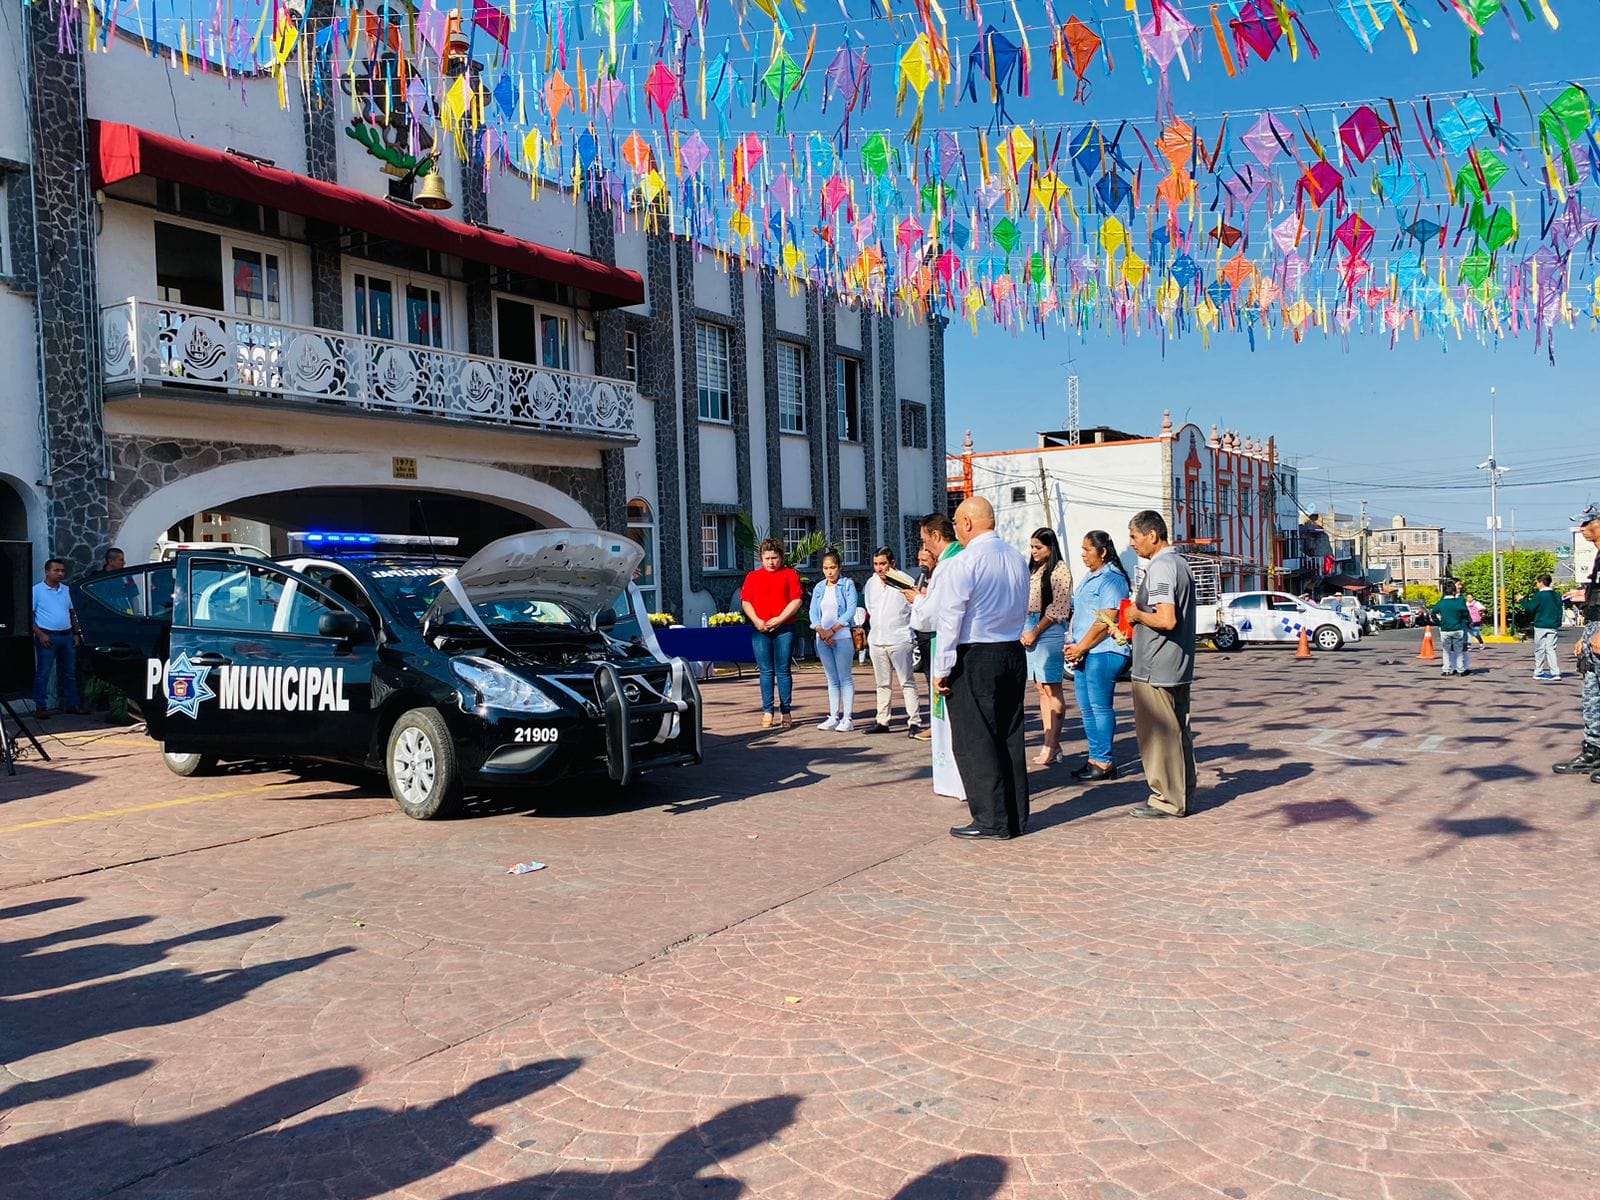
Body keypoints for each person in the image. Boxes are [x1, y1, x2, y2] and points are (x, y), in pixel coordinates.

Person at [934, 497, 1031, 841]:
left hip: (976, 654)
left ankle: (991, 819)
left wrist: (942, 666)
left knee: (976, 739)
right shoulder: (1017, 558)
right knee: (1009, 734)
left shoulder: (966, 562)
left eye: (958, 524)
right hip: (1011, 650)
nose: (956, 531)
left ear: (969, 524)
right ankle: (1015, 815)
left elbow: (950, 619)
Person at [1125, 510, 1197, 819]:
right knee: (1178, 731)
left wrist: (1136, 615)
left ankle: (1167, 799)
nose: (1131, 544)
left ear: (1152, 535)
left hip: (1156, 666)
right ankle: (1182, 793)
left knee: (1159, 735)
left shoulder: (1162, 567)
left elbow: (1166, 619)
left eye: (1134, 536)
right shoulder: (1180, 563)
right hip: (1175, 662)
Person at [1063, 530, 1133, 782]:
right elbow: (1080, 612)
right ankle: (1094, 757)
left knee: (1100, 706)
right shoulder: (1091, 576)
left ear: (1102, 552)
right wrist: (1073, 643)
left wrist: (1081, 646)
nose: (1083, 555)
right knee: (1086, 708)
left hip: (1104, 651)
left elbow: (1106, 620)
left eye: (1087, 550)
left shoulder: (1112, 579)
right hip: (1084, 650)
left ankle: (1104, 761)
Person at [907, 516, 964, 788]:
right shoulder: (966, 557)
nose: (924, 546)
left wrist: (917, 600)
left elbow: (931, 617)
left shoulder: (948, 565)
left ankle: (953, 780)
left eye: (924, 539)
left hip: (949, 646)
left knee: (953, 722)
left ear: (936, 536)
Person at [1019, 528, 1073, 766]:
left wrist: (1035, 631)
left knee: (1052, 688)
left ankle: (1050, 744)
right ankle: (1051, 740)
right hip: (1030, 624)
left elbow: (1058, 609)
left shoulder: (1060, 571)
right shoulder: (1033, 569)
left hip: (1048, 629)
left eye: (1038, 547)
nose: (1034, 552)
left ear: (1050, 548)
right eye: (1032, 547)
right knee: (1040, 688)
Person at [1554, 505, 1600, 779]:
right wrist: (1587, 635)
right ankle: (1594, 751)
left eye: (1587, 522)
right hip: (1595, 628)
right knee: (1592, 696)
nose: (1582, 528)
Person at [741, 537, 804, 729]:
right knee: (766, 671)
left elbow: (796, 600)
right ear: (761, 557)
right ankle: (767, 710)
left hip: (784, 628)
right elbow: (746, 601)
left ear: (781, 557)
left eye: (774, 557)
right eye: (767, 558)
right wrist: (757, 621)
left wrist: (780, 619)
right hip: (760, 629)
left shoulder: (790, 574)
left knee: (783, 670)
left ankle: (786, 710)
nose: (771, 562)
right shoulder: (753, 576)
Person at [862, 547, 921, 735]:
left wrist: (910, 633)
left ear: (892, 563)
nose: (879, 568)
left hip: (900, 638)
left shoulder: (906, 581)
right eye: (876, 564)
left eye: (883, 564)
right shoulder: (871, 583)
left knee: (907, 681)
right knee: (882, 683)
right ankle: (882, 720)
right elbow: (870, 607)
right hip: (878, 639)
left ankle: (914, 721)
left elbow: (915, 609)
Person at [809, 549, 860, 732]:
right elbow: (813, 612)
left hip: (842, 636)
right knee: (831, 679)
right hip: (822, 638)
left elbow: (850, 610)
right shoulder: (819, 587)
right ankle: (833, 715)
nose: (829, 572)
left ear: (840, 567)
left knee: (845, 677)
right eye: (826, 568)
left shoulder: (847, 585)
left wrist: (833, 630)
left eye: (833, 567)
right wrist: (821, 630)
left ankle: (847, 718)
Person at [32, 557, 89, 718]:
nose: (60, 573)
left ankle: (73, 703)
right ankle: (41, 706)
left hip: (66, 636)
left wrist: (76, 633)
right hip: (47, 636)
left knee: (69, 672)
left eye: (62, 571)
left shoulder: (66, 590)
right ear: (47, 571)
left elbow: (72, 613)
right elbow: (28, 615)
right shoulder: (37, 591)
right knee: (44, 672)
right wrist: (40, 634)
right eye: (56, 570)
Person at [1521, 574, 1565, 681]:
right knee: (1551, 649)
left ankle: (1539, 671)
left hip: (1540, 625)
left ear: (1541, 582)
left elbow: (1530, 608)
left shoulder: (1538, 596)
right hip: (1553, 626)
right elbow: (1560, 611)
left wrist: (1522, 600)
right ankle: (1555, 673)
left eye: (1537, 582)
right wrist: (1557, 623)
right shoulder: (1556, 595)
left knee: (1539, 649)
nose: (1537, 585)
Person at [1432, 581, 1473, 677]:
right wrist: (1462, 618)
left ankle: (1446, 669)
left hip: (1445, 629)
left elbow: (1433, 613)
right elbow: (1465, 613)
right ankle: (1460, 670)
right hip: (1457, 628)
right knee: (1459, 650)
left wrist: (1439, 623)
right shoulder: (1458, 602)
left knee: (1446, 650)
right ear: (1454, 592)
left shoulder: (1441, 603)